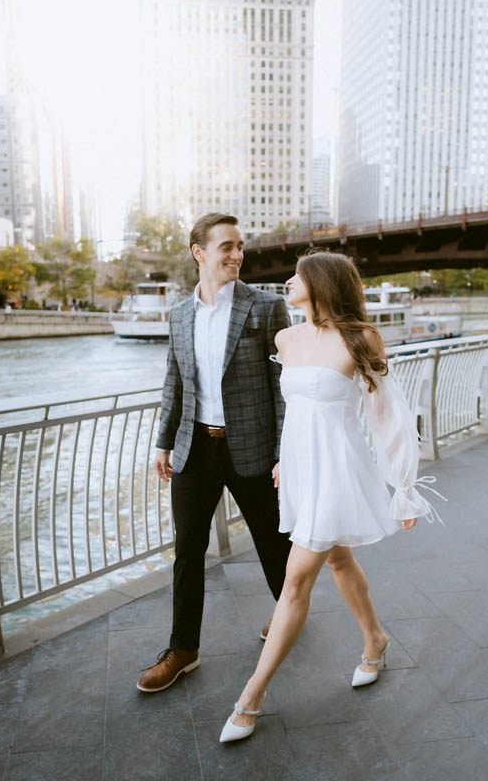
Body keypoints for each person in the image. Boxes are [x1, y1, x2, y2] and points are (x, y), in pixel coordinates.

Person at [219, 251, 440, 742]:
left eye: (297, 276)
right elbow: (297, 409)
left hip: (338, 469)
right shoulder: (286, 338)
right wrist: (283, 458)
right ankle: (375, 640)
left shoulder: (360, 338)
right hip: (300, 469)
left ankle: (250, 698)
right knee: (339, 561)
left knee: (295, 578)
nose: (288, 281)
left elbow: (388, 416)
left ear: (321, 284)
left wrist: (404, 488)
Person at [137, 212, 293, 693]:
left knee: (273, 544)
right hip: (194, 449)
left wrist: (287, 453)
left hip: (253, 449)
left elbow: (282, 387)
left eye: (240, 245)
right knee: (187, 550)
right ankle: (183, 649)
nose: (237, 254)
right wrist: (163, 442)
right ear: (199, 253)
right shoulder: (180, 314)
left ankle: (289, 616)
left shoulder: (266, 308)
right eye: (226, 246)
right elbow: (174, 382)